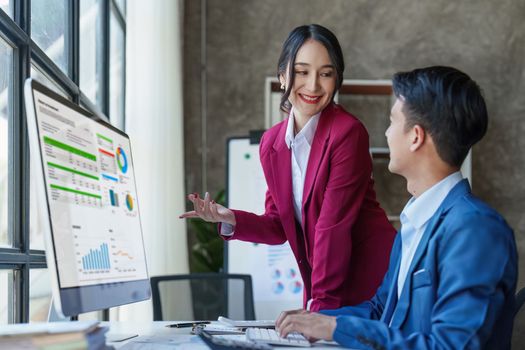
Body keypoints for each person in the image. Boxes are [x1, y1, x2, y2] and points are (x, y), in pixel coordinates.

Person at [275, 66, 518, 349]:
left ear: (416, 136)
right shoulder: (414, 222)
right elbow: (381, 311)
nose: (387, 134)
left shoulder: (475, 229)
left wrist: (337, 328)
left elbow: (449, 346)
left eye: (392, 122)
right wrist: (314, 320)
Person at [180, 24, 396, 311]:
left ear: (336, 80)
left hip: (371, 280)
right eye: (302, 72)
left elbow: (333, 227)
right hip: (326, 284)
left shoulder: (348, 133)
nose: (313, 85)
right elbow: (278, 226)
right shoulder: (272, 144)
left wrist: (319, 309)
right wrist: (230, 217)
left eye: (326, 73)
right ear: (283, 76)